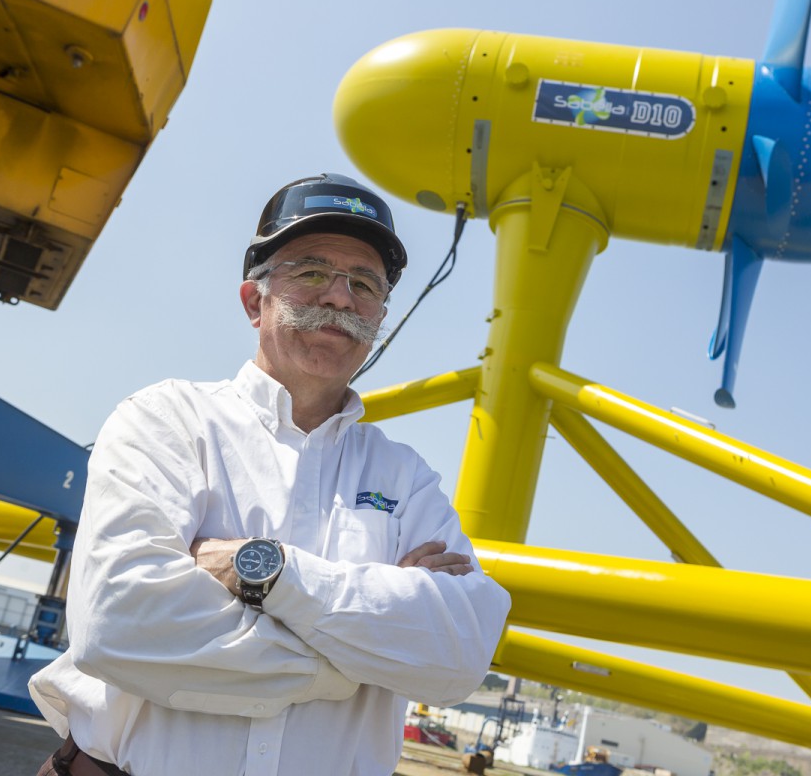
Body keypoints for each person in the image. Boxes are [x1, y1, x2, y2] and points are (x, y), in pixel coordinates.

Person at [29, 173, 512, 776]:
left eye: (364, 283)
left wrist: (264, 571)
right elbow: (121, 624)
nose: (340, 297)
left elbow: (459, 657)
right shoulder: (168, 421)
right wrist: (353, 660)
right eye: (311, 272)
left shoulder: (407, 478)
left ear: (380, 316)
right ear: (254, 302)